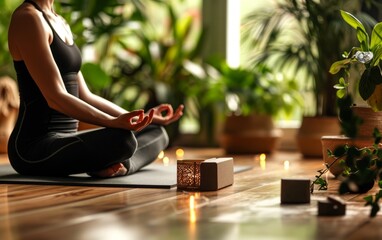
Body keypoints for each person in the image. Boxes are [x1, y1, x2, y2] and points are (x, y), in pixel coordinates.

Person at [7, 0, 184, 178]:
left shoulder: (59, 21)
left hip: (66, 140)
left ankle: (116, 165)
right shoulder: (27, 19)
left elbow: (86, 96)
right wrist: (112, 122)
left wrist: (142, 119)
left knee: (155, 132)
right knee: (123, 141)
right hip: (35, 147)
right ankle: (108, 161)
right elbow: (55, 97)